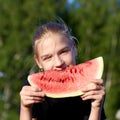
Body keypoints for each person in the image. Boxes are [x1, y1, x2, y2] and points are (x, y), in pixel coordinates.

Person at [19, 20, 106, 120]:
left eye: (64, 52)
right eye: (48, 57)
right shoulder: (33, 90)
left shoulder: (92, 87)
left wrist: (96, 107)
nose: (58, 63)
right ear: (38, 62)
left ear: (75, 48)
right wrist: (25, 108)